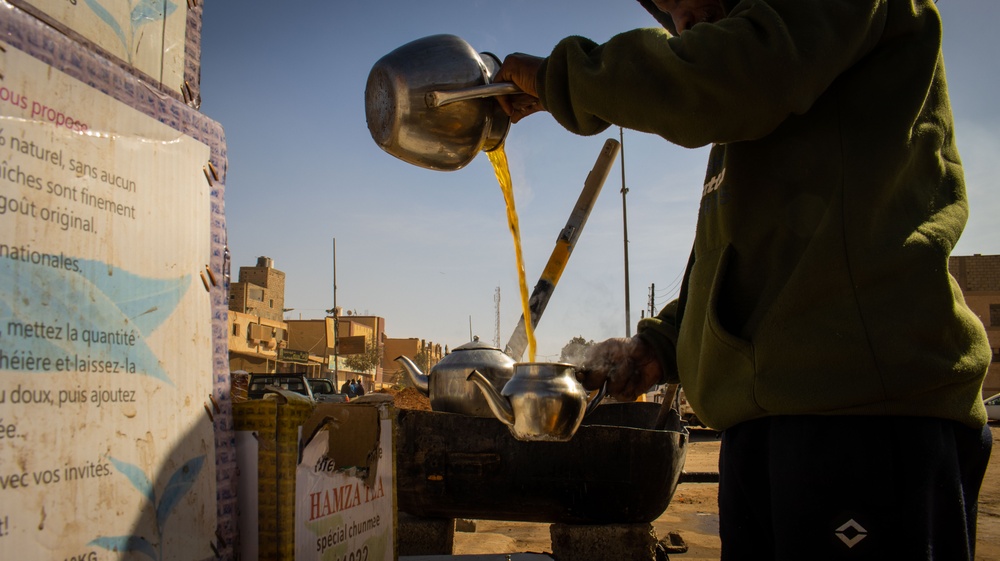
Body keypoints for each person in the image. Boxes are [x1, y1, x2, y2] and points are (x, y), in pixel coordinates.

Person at [494, 1, 992, 559]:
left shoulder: (764, 62)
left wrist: (561, 78)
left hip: (862, 419)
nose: (679, 20)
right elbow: (748, 257)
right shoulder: (766, 90)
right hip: (770, 422)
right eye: (667, 8)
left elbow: (723, 74)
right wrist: (660, 345)